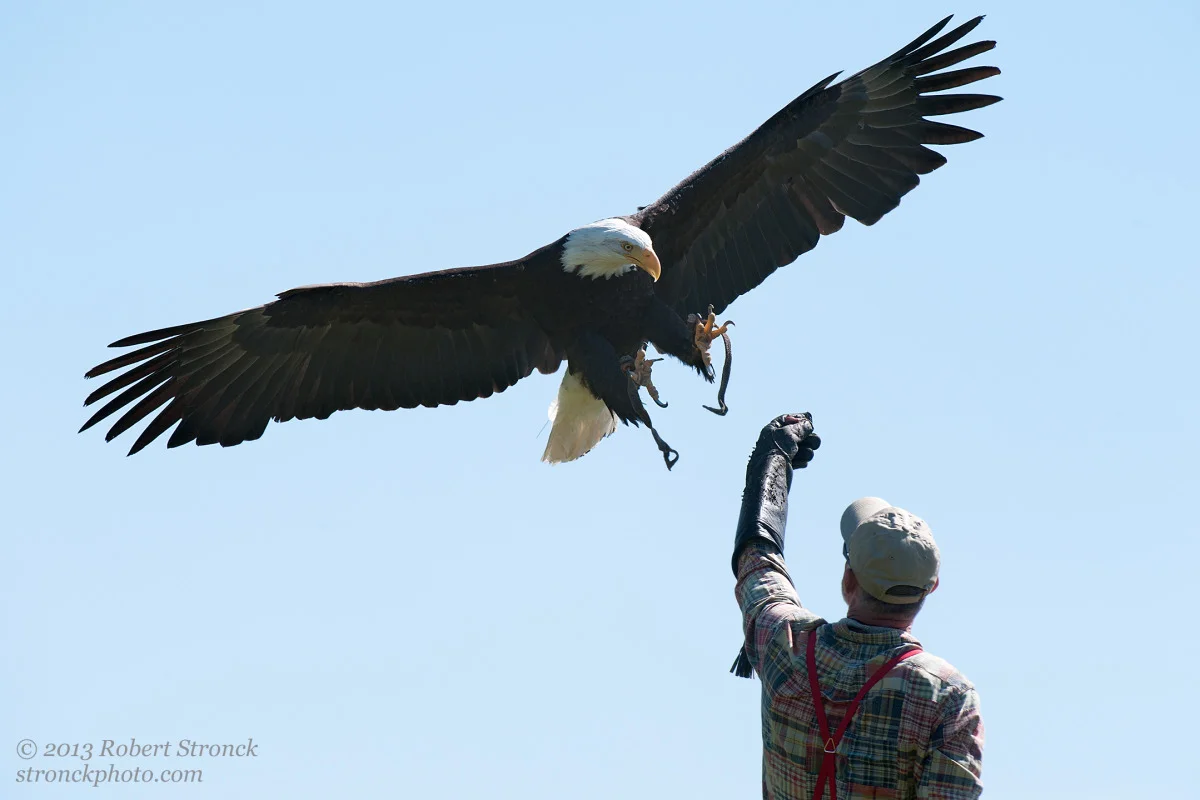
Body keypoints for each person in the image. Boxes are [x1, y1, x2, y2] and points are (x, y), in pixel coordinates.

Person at [731, 413, 984, 799]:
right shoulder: (948, 697)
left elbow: (756, 562)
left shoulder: (785, 643)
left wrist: (771, 461)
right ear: (930, 590)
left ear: (849, 580)